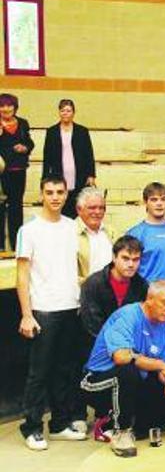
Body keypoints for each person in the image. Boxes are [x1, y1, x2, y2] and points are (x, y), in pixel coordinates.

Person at [16, 175, 85, 450]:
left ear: (67, 194)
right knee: (39, 372)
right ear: (41, 194)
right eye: (50, 192)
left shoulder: (71, 227)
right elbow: (22, 275)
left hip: (71, 307)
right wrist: (26, 313)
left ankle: (59, 423)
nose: (55, 197)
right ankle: (31, 427)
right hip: (43, 310)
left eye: (60, 192)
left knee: (65, 370)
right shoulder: (29, 230)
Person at [80, 280, 165, 458]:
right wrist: (160, 365)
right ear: (149, 299)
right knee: (127, 369)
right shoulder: (128, 315)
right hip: (96, 382)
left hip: (130, 383)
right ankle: (121, 432)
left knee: (157, 416)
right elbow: (121, 357)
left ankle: (111, 422)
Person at [78, 235, 149, 440]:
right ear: (114, 257)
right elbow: (92, 327)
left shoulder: (141, 285)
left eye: (136, 260)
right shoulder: (94, 284)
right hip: (98, 356)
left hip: (129, 351)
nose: (130, 264)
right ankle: (109, 421)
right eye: (125, 258)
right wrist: (120, 349)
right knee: (124, 372)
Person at [41, 99, 96, 218]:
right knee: (62, 204)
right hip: (59, 173)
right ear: (59, 112)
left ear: (73, 113)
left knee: (78, 205)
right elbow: (47, 157)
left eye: (68, 110)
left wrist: (91, 175)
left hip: (78, 174)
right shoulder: (52, 131)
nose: (65, 113)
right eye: (63, 110)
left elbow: (89, 154)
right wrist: (45, 178)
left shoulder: (82, 131)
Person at [0, 93, 35, 251]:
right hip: (2, 171)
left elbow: (29, 141)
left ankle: (16, 246)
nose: (6, 109)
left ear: (15, 107)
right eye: (2, 106)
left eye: (9, 105)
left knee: (16, 208)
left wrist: (25, 147)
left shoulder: (23, 123)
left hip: (19, 171)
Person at [75, 186, 117, 283]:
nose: (97, 212)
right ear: (79, 209)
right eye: (92, 208)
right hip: (82, 294)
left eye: (101, 208)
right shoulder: (69, 233)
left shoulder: (111, 232)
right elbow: (65, 273)